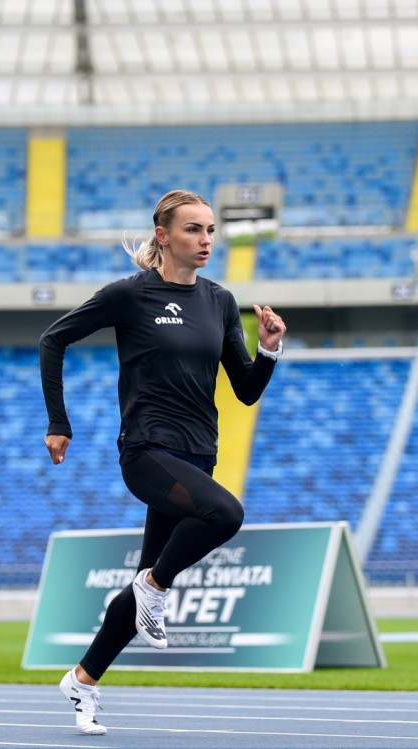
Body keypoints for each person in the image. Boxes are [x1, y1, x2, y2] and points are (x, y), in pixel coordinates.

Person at [39, 189, 286, 735]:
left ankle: (82, 679)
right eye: (194, 230)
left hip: (200, 454)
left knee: (140, 587)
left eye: (211, 230)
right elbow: (53, 340)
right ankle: (156, 586)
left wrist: (268, 350)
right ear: (163, 235)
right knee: (225, 516)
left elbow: (244, 390)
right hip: (147, 450)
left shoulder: (220, 302)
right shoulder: (131, 296)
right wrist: (59, 422)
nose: (206, 240)